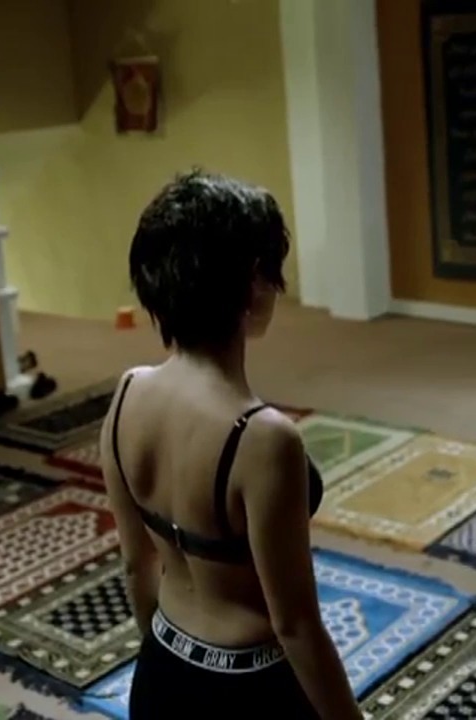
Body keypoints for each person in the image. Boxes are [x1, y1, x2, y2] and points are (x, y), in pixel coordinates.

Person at [99, 169, 362, 719]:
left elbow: (136, 564)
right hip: (249, 689)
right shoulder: (264, 438)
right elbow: (296, 625)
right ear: (253, 281)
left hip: (161, 666)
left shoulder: (126, 394)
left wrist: (162, 666)